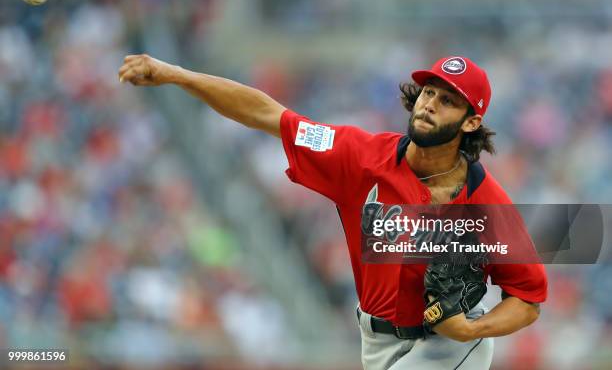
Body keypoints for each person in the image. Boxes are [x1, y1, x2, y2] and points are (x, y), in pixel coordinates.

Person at [118, 54, 547, 369]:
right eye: (429, 92)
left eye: (448, 100)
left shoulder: (488, 204)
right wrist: (175, 74)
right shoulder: (359, 157)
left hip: (448, 343)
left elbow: (527, 299)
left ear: (471, 122)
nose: (430, 103)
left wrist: (473, 330)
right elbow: (268, 114)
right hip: (375, 343)